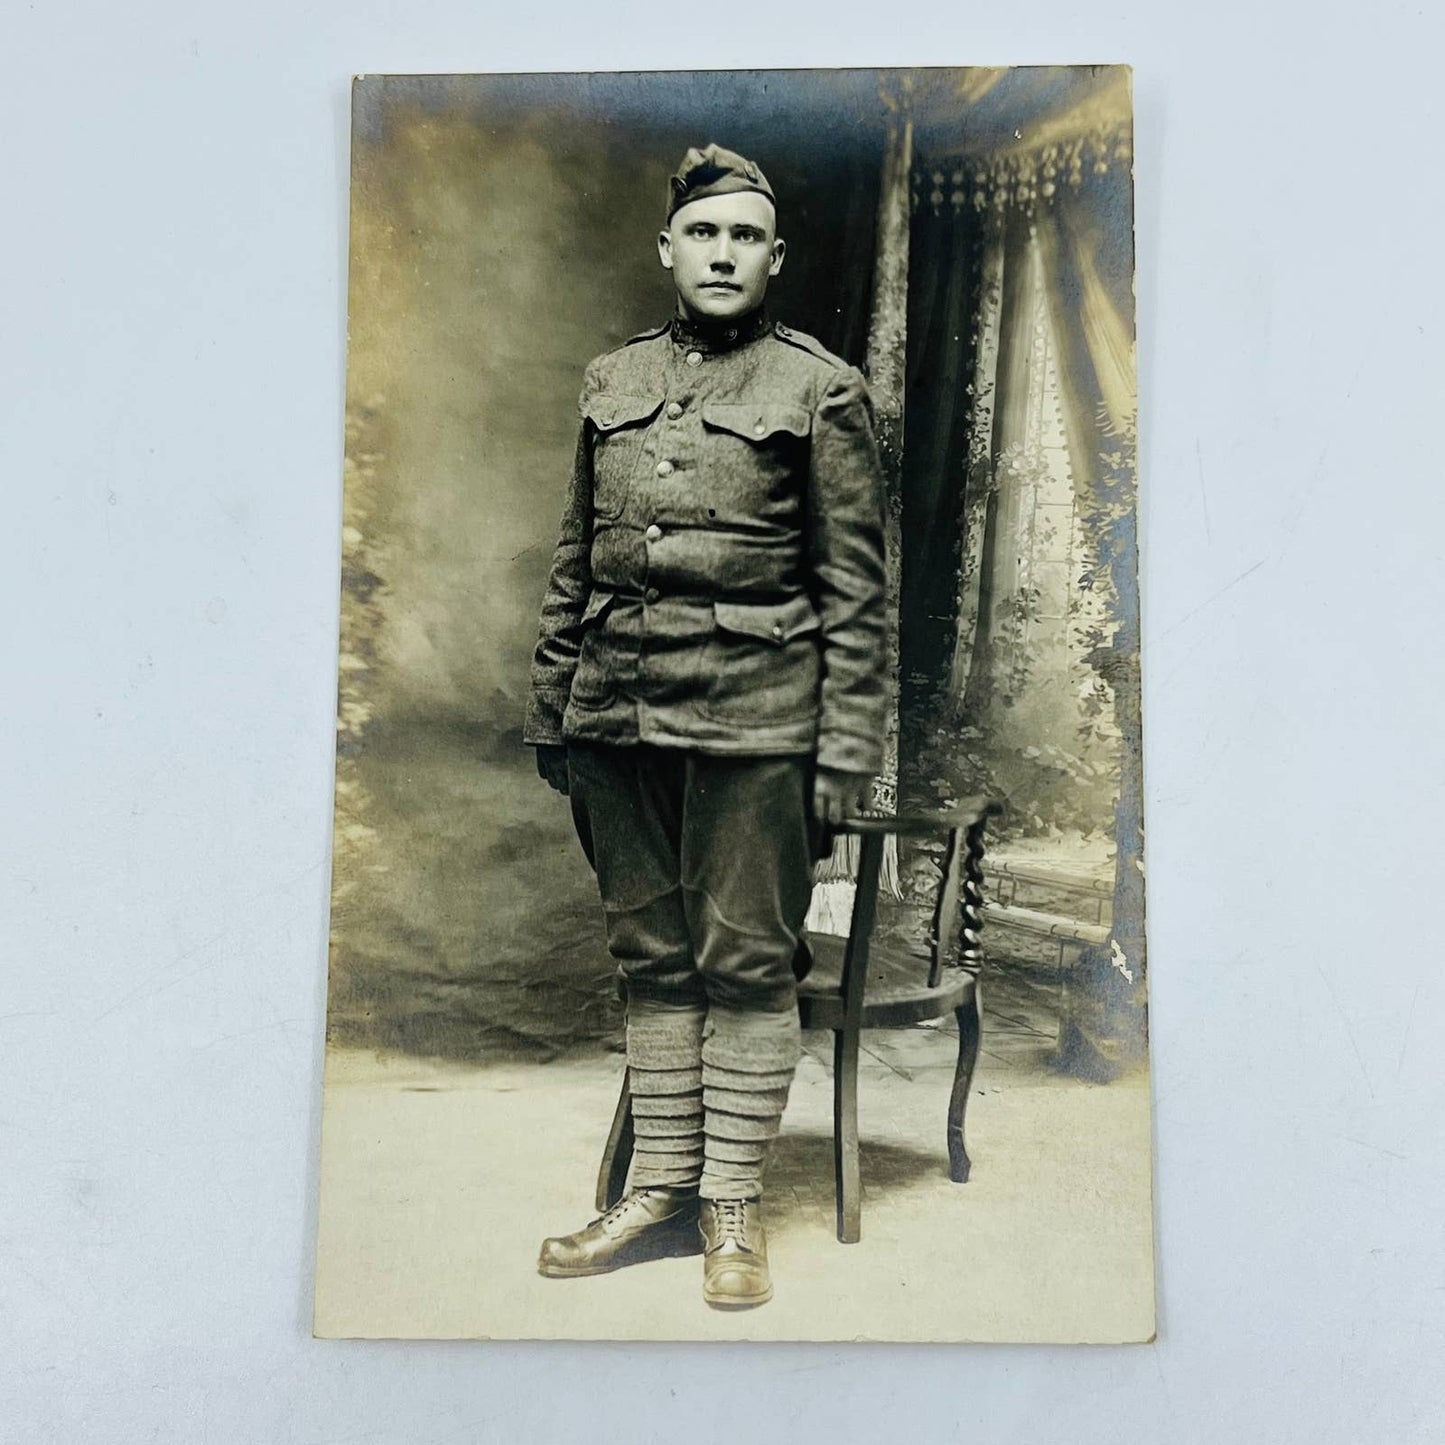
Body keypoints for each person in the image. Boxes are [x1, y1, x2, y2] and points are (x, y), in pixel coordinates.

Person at [522, 143, 887, 1309]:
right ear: (667, 249)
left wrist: (843, 753)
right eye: (703, 234)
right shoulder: (609, 379)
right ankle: (659, 1192)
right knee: (650, 955)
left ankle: (732, 1202)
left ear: (773, 259)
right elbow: (575, 558)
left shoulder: (817, 390)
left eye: (745, 238)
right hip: (616, 718)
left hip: (756, 727)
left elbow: (857, 597)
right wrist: (554, 705)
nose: (722, 253)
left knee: (742, 962)